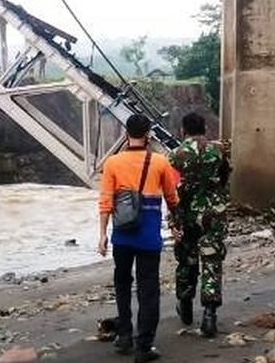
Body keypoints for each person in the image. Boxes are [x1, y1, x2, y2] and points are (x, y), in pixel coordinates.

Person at [98, 114, 179, 363]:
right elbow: (172, 198)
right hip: (148, 238)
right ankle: (144, 347)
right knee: (148, 290)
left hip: (122, 236)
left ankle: (124, 336)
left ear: (125, 134)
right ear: (149, 135)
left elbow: (106, 202)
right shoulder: (160, 162)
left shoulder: (112, 163)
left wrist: (102, 235)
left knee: (122, 284)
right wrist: (176, 225)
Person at [169, 112, 230, 338]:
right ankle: (209, 315)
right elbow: (224, 178)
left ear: (183, 130)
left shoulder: (175, 155)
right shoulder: (219, 150)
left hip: (186, 214)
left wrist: (173, 220)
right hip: (213, 213)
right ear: (204, 128)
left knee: (186, 259)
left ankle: (185, 306)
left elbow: (171, 190)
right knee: (212, 260)